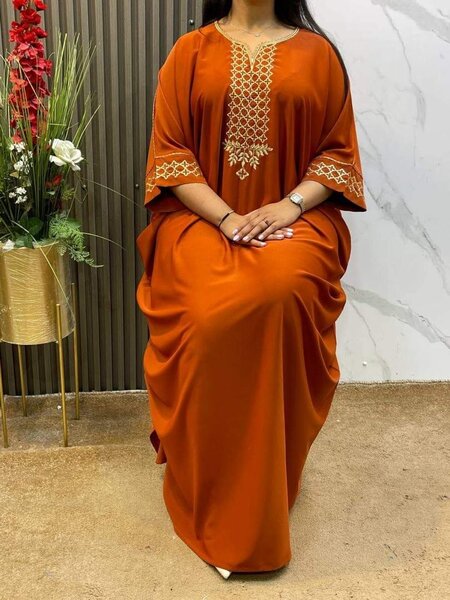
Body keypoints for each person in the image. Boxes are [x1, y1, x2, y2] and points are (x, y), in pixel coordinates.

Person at [135, 0, 367, 579]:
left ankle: (263, 489)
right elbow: (171, 157)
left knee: (278, 294)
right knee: (211, 315)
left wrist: (286, 206)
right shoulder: (189, 53)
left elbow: (337, 157)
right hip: (199, 220)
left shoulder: (319, 55)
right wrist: (227, 219)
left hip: (295, 222)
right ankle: (209, 485)